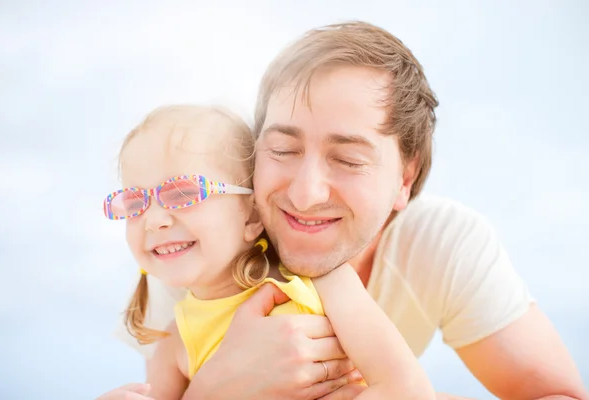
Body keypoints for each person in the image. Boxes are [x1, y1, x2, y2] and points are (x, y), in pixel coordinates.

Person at [108, 21, 588, 400]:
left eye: (347, 159)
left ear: (404, 178)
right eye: (282, 150)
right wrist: (217, 390)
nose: (306, 193)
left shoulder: (441, 243)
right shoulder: (192, 250)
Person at [99, 104, 435, 400]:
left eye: (183, 192)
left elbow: (408, 391)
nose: (154, 220)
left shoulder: (324, 284)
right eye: (133, 202)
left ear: (254, 213)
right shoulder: (173, 345)